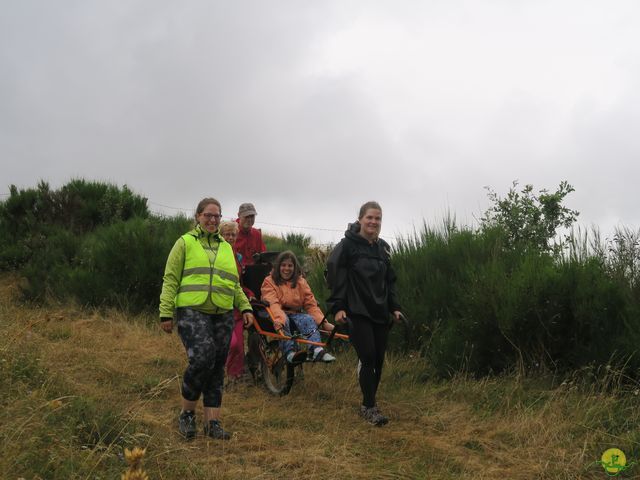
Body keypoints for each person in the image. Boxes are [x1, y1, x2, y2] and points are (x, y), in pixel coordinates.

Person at [159, 198, 255, 440]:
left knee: (217, 367)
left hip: (222, 313)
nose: (212, 220)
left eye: (217, 216)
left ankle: (213, 423)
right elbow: (170, 278)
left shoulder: (225, 247)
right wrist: (165, 311)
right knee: (202, 358)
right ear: (198, 216)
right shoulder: (185, 243)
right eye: (208, 215)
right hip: (192, 309)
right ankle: (187, 414)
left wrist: (245, 308)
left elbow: (233, 284)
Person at [325, 201, 402, 426]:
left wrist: (394, 307)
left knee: (378, 359)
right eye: (370, 217)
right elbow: (335, 274)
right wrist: (338, 307)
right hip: (356, 311)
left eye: (378, 218)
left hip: (379, 311)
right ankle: (369, 407)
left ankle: (370, 402)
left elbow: (390, 281)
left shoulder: (383, 249)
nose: (374, 222)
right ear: (360, 219)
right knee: (367, 356)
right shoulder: (347, 246)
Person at [261, 250, 336, 364]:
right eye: (283, 265)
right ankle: (289, 353)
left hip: (295, 313)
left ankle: (316, 349)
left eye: (290, 265)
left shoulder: (301, 282)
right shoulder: (269, 281)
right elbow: (273, 303)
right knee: (284, 320)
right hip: (276, 312)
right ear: (278, 267)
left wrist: (324, 323)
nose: (287, 269)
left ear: (294, 267)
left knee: (308, 319)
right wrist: (279, 320)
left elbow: (310, 304)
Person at [218, 220, 253, 384]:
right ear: (221, 235)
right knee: (230, 344)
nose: (230, 237)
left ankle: (234, 376)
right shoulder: (216, 254)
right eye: (227, 234)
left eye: (233, 234)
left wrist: (247, 295)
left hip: (237, 308)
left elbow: (239, 283)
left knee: (239, 345)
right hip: (221, 306)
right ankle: (220, 371)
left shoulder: (237, 257)